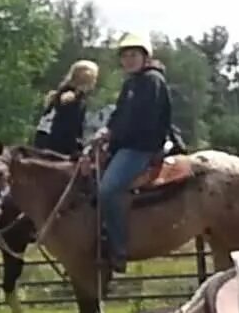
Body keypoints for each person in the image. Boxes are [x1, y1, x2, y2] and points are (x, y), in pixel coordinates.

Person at [91, 33, 172, 273]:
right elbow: (119, 115)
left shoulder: (151, 81)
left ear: (145, 57)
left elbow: (143, 122)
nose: (128, 60)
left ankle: (119, 247)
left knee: (108, 189)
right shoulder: (132, 83)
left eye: (133, 55)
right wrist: (105, 131)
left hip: (142, 147)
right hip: (126, 144)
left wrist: (113, 137)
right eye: (125, 56)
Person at [33, 60, 98, 157]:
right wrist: (76, 148)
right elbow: (68, 126)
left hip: (42, 139)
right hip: (56, 145)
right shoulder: (74, 99)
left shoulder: (59, 93)